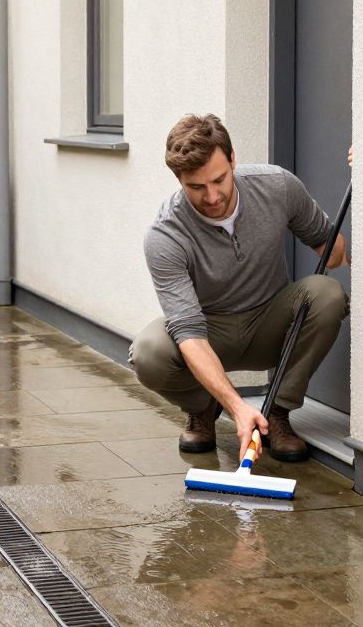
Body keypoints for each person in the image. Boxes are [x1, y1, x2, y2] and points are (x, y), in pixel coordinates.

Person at [129, 114, 349, 462]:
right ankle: (203, 407)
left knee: (327, 293)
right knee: (148, 352)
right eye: (196, 187)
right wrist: (236, 407)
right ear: (179, 180)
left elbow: (335, 256)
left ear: (233, 159)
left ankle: (277, 412)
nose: (212, 196)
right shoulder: (165, 235)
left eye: (219, 179)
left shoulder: (277, 187)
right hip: (208, 330)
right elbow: (189, 334)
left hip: (269, 322)